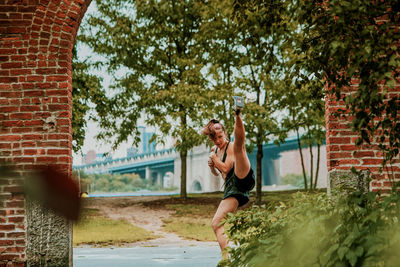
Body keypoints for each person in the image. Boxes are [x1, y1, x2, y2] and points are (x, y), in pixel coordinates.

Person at [202, 97, 255, 260]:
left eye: (220, 136)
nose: (218, 141)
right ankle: (228, 258)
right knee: (217, 224)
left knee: (239, 147)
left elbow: (226, 167)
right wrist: (212, 165)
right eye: (214, 139)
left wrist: (215, 159)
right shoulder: (216, 151)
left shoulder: (229, 147)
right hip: (233, 189)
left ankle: (238, 114)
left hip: (242, 177)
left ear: (224, 132)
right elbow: (219, 174)